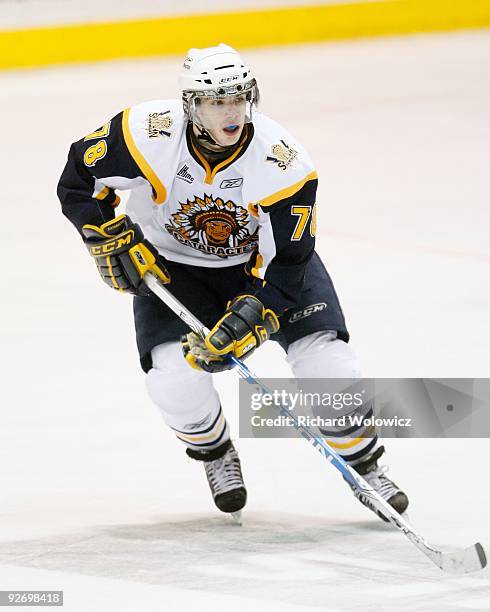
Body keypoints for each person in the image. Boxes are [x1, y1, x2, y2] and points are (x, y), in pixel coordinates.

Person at [57, 43, 408, 520]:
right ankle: (216, 451)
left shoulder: (283, 163)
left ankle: (365, 467)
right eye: (217, 101)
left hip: (262, 268)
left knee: (330, 365)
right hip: (174, 270)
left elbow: (290, 259)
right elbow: (79, 180)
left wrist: (256, 316)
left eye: (240, 98)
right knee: (173, 380)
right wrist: (105, 234)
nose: (233, 112)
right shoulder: (144, 133)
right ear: (191, 105)